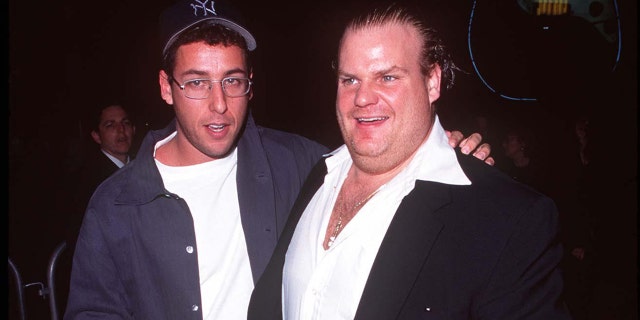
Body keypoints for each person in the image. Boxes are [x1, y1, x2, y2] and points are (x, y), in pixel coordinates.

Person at [64, 0, 492, 319]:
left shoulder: (299, 164)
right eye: (196, 83)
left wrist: (445, 152)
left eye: (231, 81)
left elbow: (380, 159)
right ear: (165, 86)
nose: (218, 105)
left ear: (250, 82)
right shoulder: (115, 204)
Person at [248, 3, 570, 319]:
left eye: (387, 77)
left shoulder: (508, 221)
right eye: (350, 80)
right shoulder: (318, 172)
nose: (362, 97)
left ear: (432, 82)